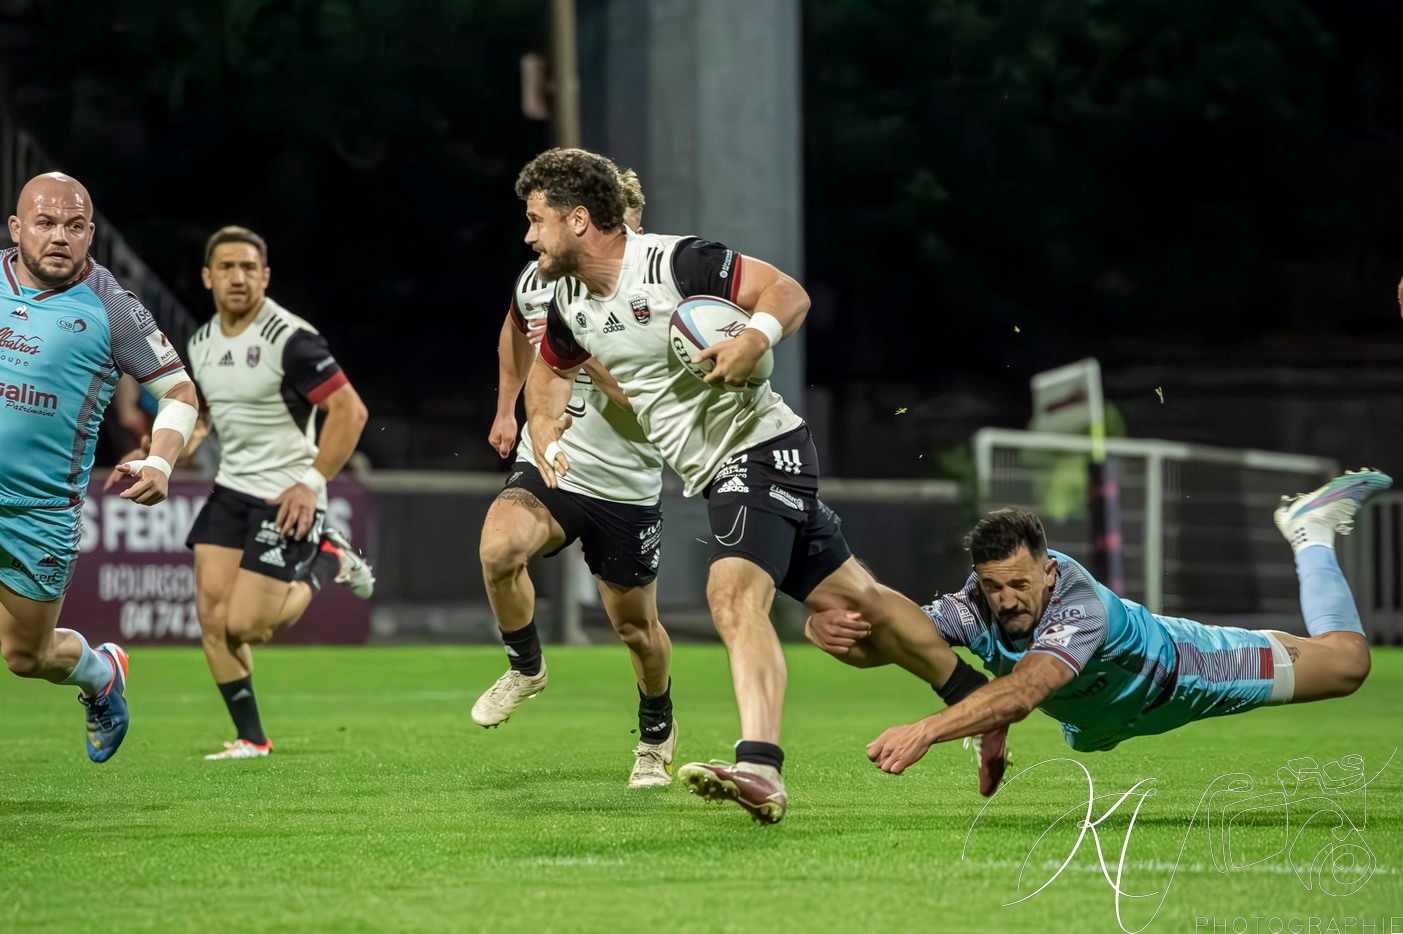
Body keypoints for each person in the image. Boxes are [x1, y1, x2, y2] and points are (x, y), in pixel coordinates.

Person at [516, 148, 999, 823]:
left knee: (731, 593)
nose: (528, 235)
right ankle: (976, 703)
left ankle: (760, 767)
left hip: (759, 448)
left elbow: (787, 293)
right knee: (858, 597)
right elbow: (548, 370)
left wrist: (754, 338)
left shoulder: (674, 262)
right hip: (716, 471)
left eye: (536, 220)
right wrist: (543, 426)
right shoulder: (569, 302)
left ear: (576, 221)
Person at [802, 470, 1391, 775]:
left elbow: (1027, 690)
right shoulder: (974, 605)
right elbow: (899, 641)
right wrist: (831, 636)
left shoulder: (1078, 604)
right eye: (993, 586)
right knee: (1091, 739)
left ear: (1050, 572)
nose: (1006, 601)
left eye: (1019, 585)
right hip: (1103, 720)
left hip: (1194, 671)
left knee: (1347, 664)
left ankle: (1309, 531)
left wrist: (926, 730)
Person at [476, 170, 679, 788]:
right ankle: (526, 666)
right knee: (498, 546)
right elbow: (516, 326)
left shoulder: (660, 294)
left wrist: (579, 352)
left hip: (627, 482)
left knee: (635, 630)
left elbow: (642, 405)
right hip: (557, 463)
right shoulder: (542, 281)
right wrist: (510, 405)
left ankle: (655, 731)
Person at [146, 225, 374, 760]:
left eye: (250, 268)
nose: (238, 277)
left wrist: (312, 483)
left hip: (286, 493)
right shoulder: (200, 344)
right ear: (208, 277)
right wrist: (157, 455)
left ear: (265, 276)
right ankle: (251, 739)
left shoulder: (290, 339)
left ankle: (328, 556)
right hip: (232, 491)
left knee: (249, 625)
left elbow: (350, 411)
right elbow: (204, 419)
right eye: (226, 267)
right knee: (212, 619)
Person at [2, 172, 200, 762]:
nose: (59, 236)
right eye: (44, 223)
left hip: (39, 512)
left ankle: (100, 672)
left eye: (74, 225)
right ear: (16, 229)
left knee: (26, 657)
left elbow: (180, 393)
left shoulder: (111, 308)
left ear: (91, 234)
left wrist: (161, 462)